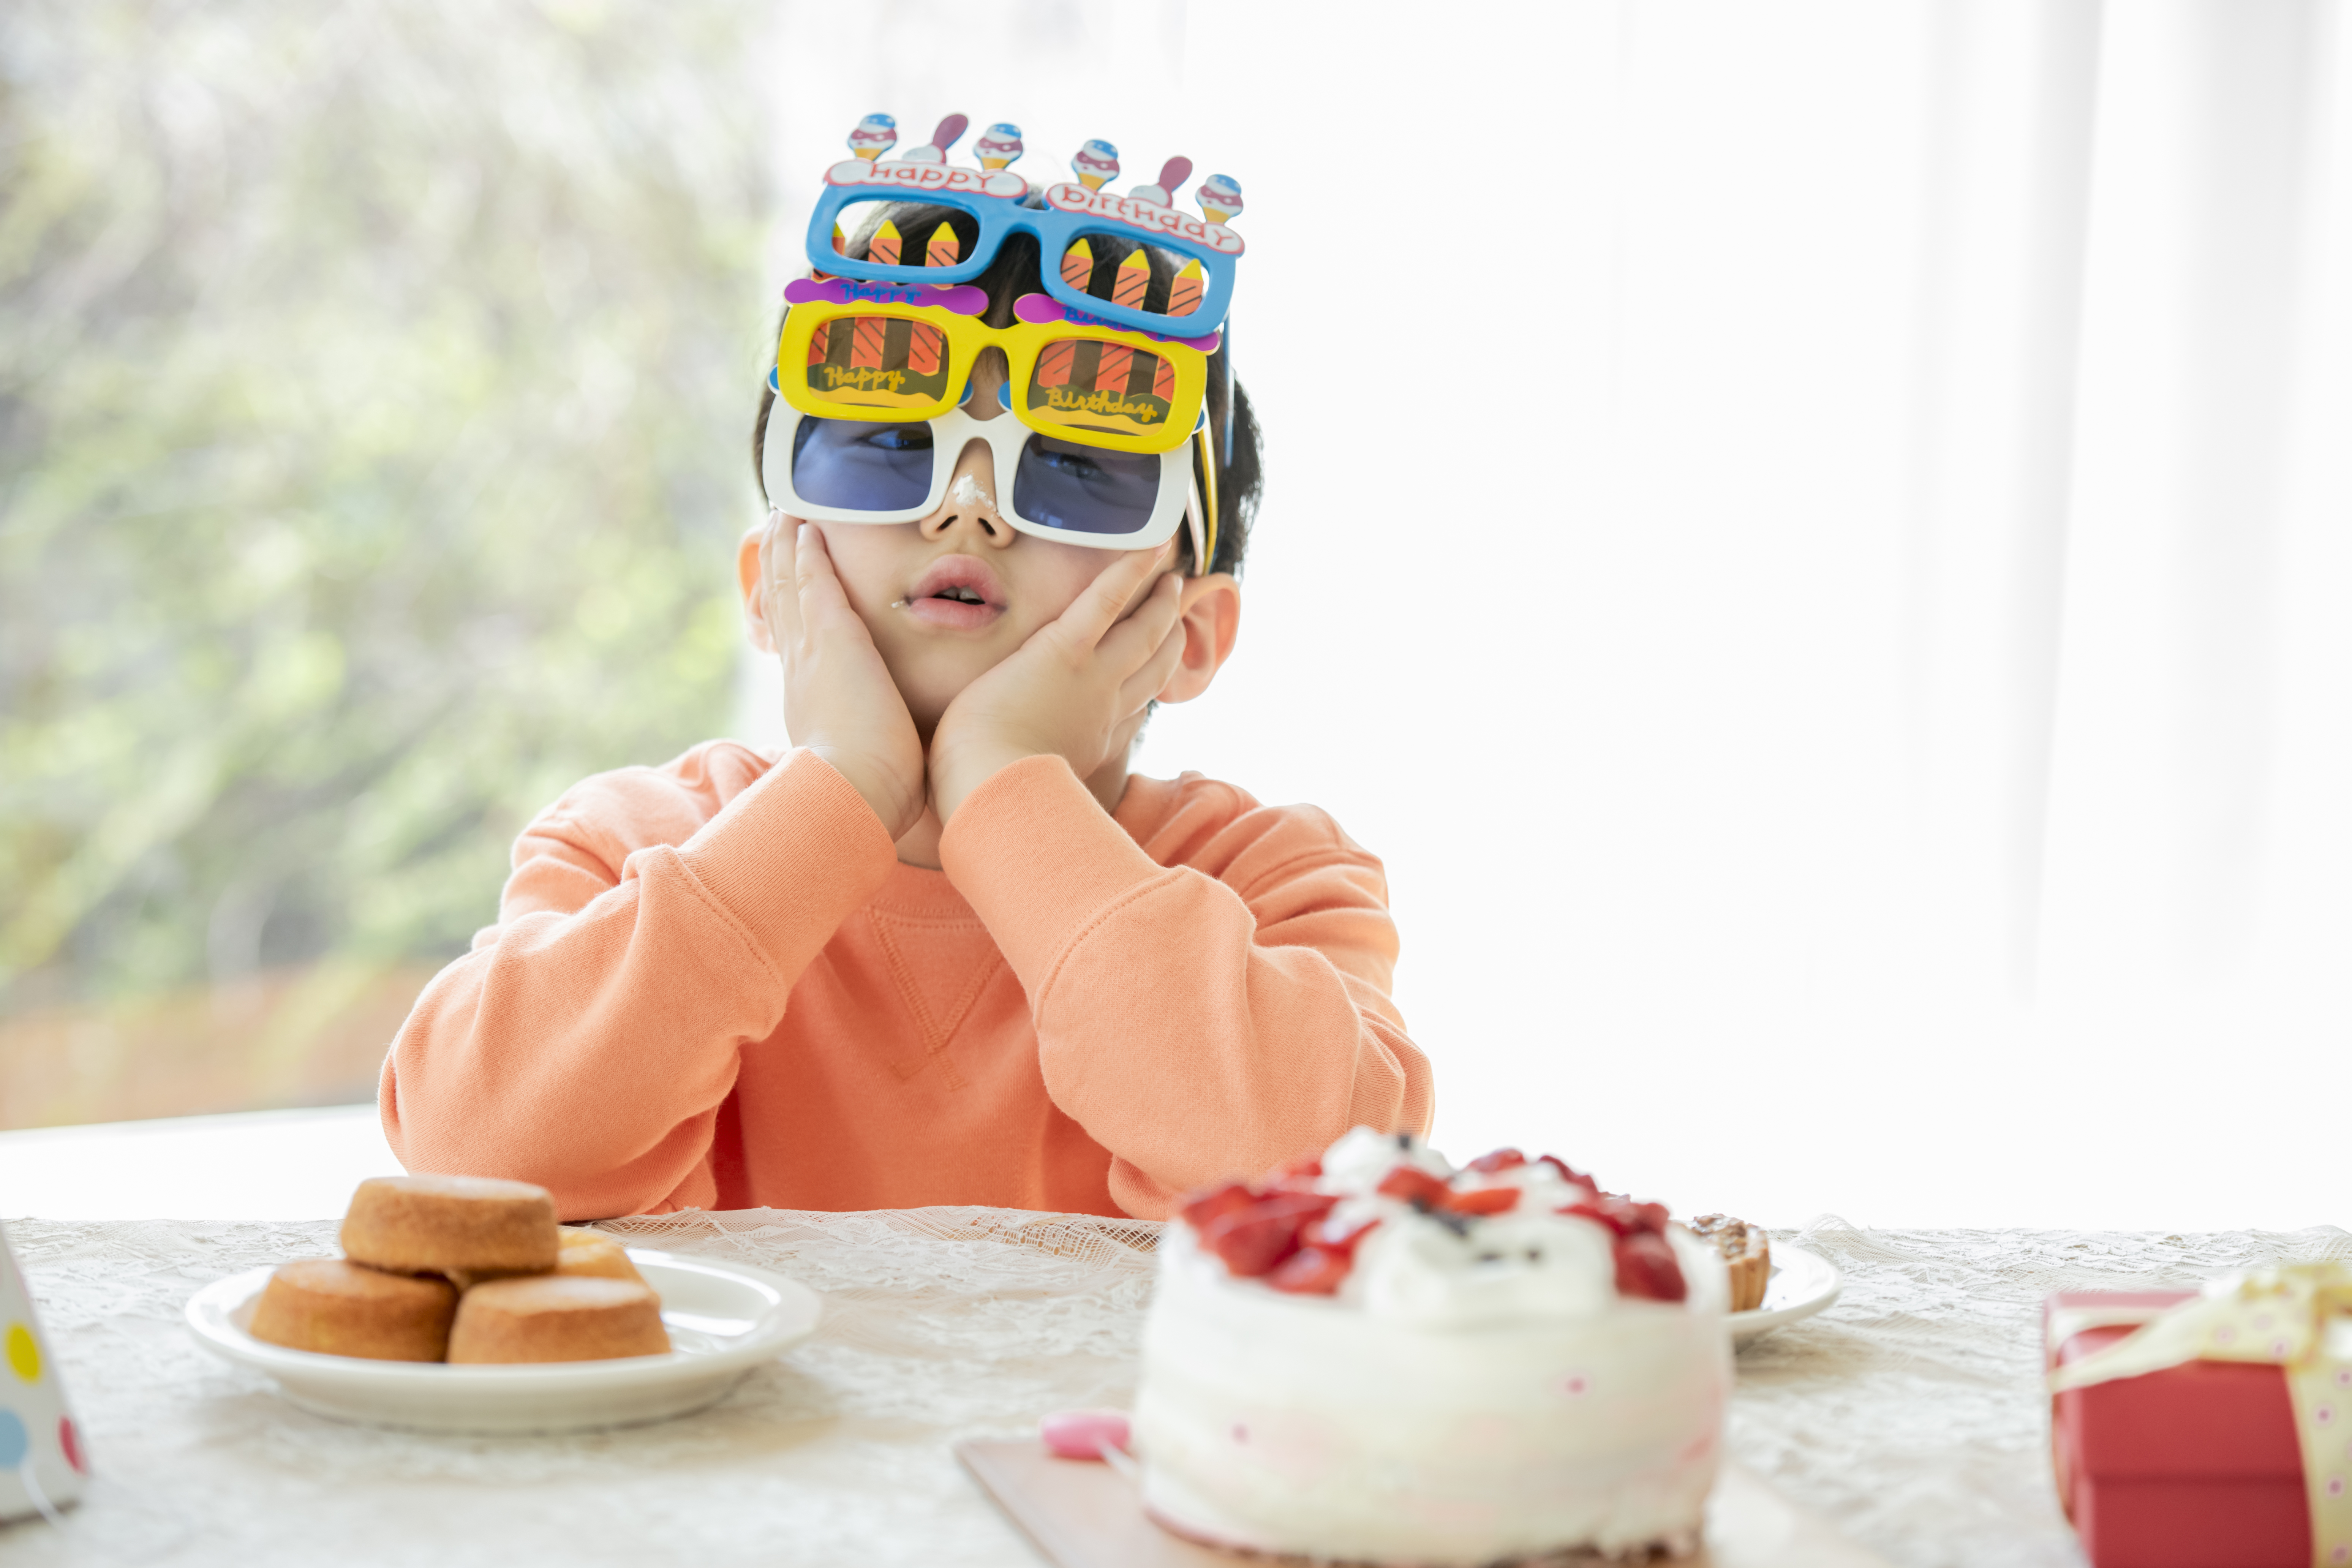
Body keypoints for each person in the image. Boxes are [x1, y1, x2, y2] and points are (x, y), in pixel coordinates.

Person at [379, 124, 1433, 1220]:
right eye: (885, 446)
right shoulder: (634, 843)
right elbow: (476, 1152)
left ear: (1194, 635)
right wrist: (843, 782)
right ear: (766, 588)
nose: (965, 505)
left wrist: (1007, 791)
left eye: (1075, 470)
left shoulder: (1272, 880)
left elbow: (1329, 1194)